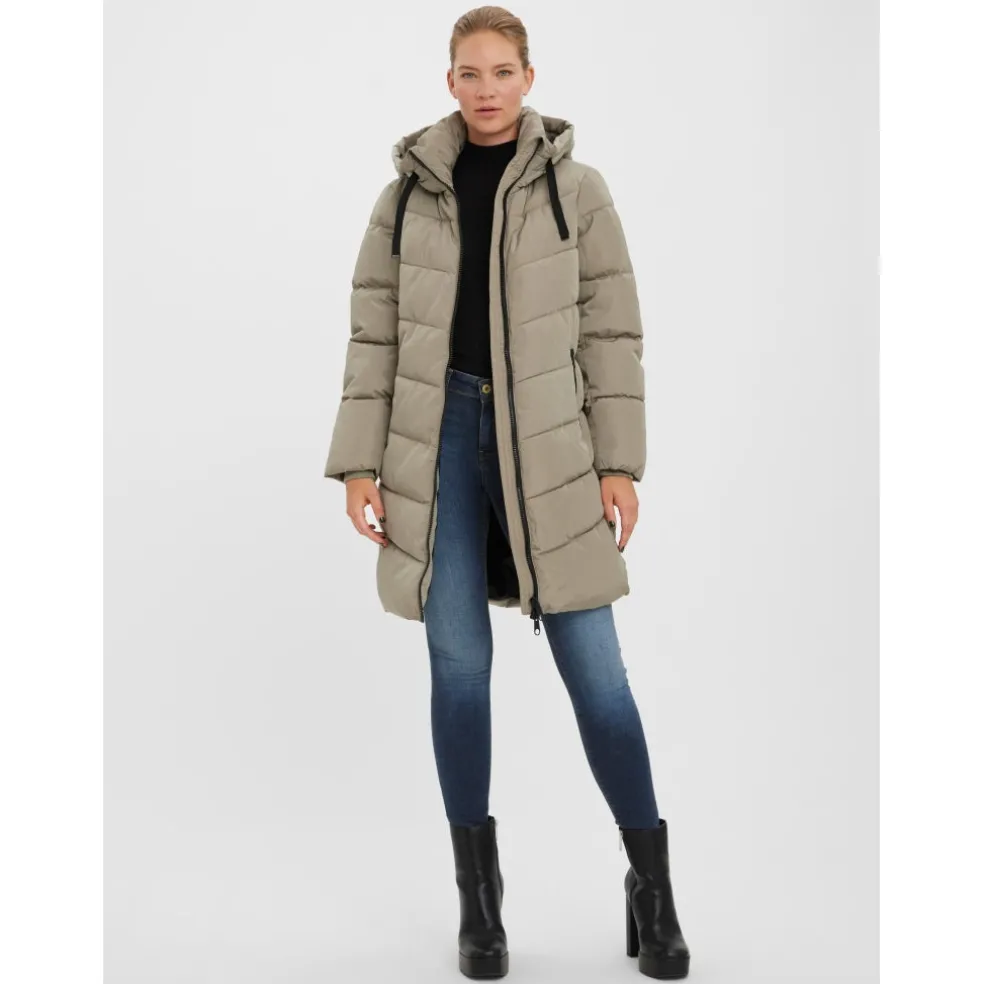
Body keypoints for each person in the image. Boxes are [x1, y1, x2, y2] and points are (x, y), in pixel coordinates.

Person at [323, 6, 690, 980]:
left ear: (529, 77)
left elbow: (612, 332)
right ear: (449, 81)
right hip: (436, 438)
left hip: (550, 443)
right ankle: (478, 904)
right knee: (458, 670)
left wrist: (620, 462)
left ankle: (652, 887)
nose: (485, 89)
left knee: (598, 675)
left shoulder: (578, 191)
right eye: (469, 73)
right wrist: (359, 465)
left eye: (501, 71)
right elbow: (373, 336)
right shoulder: (405, 198)